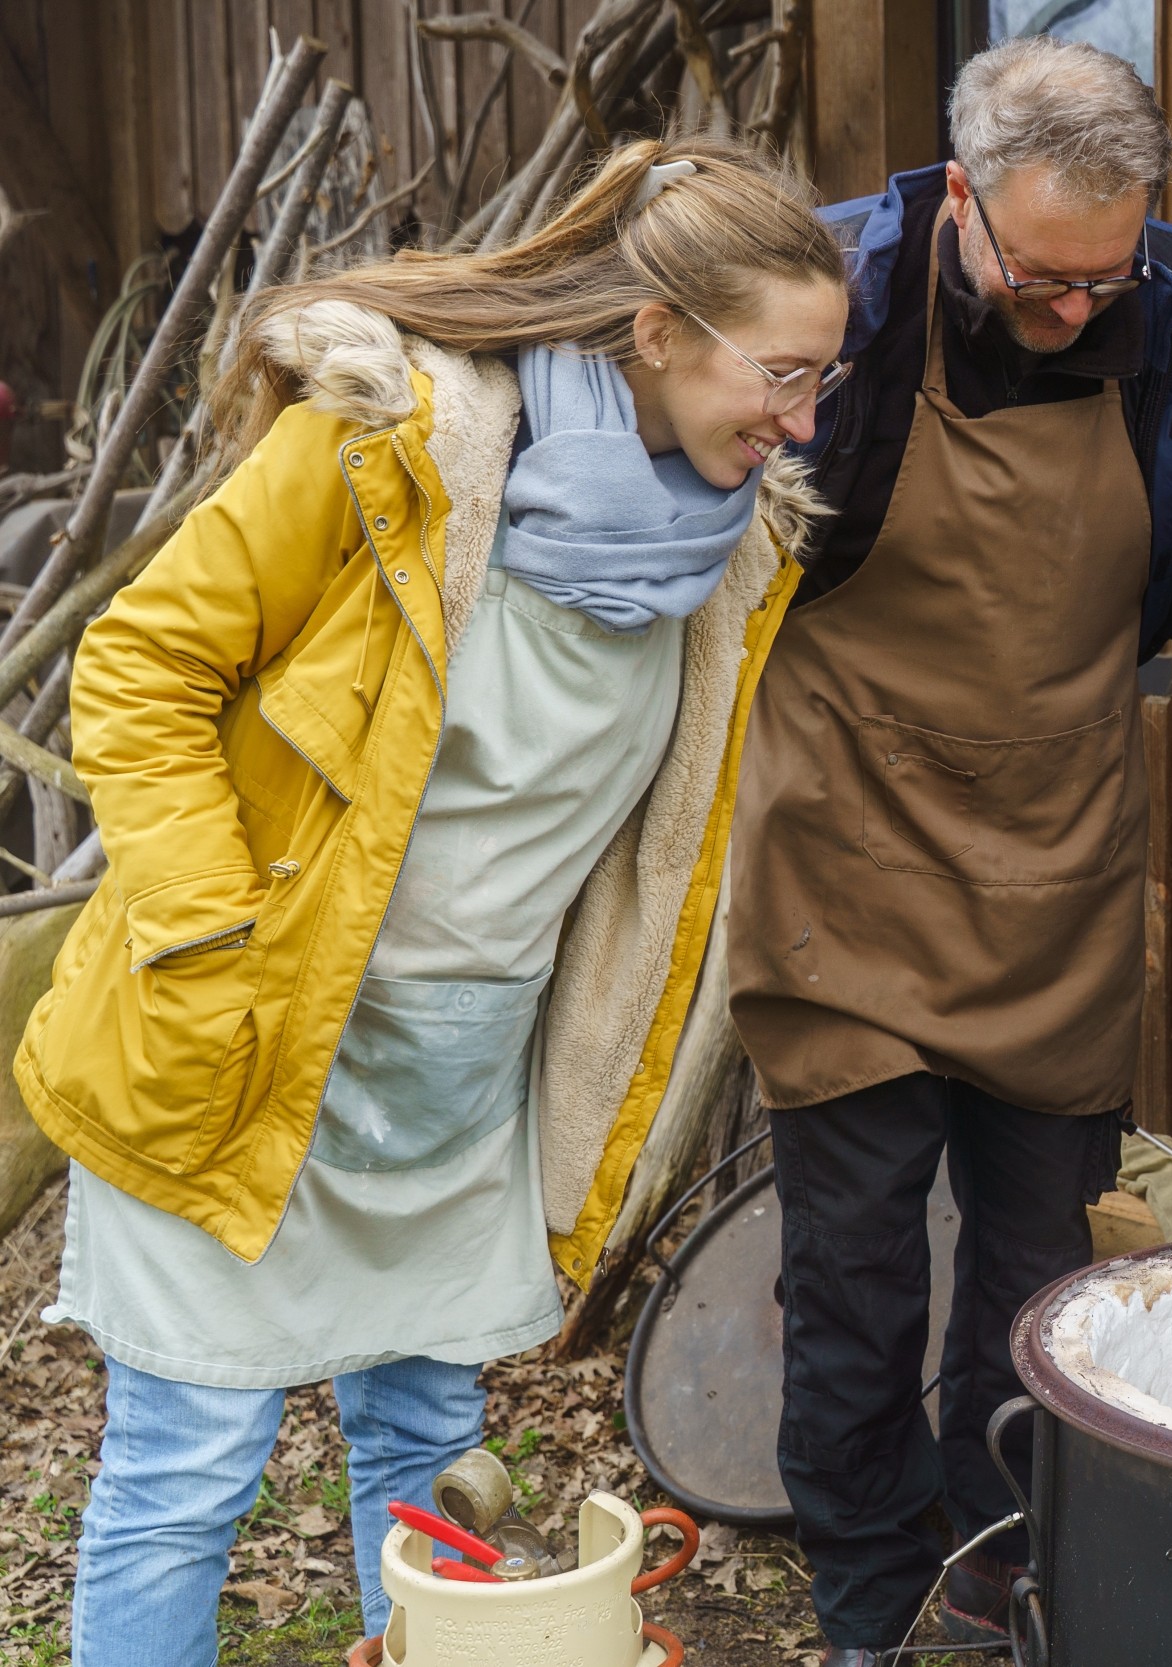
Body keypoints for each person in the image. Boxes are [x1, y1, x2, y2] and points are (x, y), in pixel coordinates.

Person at [18, 135, 849, 1664]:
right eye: (783, 374)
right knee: (186, 1472)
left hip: (452, 1080)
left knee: (429, 1465)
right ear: (658, 331)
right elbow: (140, 667)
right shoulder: (399, 440)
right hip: (247, 1036)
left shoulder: (727, 551)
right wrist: (208, 935)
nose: (806, 420)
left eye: (825, 382)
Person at [723, 37, 1172, 1665]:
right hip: (847, 863)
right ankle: (871, 1608)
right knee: (860, 1287)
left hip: (1059, 878)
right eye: (1042, 278)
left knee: (1042, 1296)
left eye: (1111, 276)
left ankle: (1000, 1583)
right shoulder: (834, 312)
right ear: (960, 199)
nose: (1079, 311)